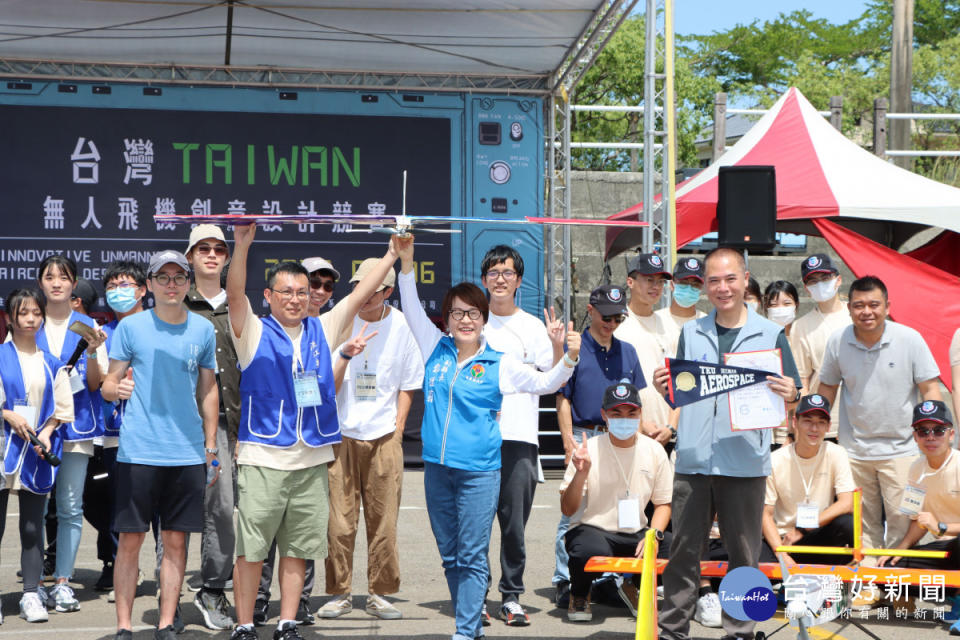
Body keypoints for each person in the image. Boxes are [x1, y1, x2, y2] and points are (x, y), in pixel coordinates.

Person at [396, 234, 580, 640]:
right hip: (438, 471)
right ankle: (469, 613)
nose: (465, 320)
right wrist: (405, 263)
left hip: (480, 469)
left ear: (483, 319)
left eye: (472, 314)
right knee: (450, 553)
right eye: (457, 314)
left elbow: (547, 382)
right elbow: (410, 309)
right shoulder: (436, 349)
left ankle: (467, 629)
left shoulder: (499, 362)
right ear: (445, 318)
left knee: (475, 550)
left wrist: (567, 357)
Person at [227, 224, 397, 640]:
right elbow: (234, 294)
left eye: (302, 292)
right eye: (285, 292)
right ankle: (245, 624)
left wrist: (393, 253)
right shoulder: (251, 331)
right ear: (268, 296)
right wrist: (243, 244)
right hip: (263, 457)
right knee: (251, 551)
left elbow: (359, 295)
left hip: (311, 459)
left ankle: (287, 622)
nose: (296, 299)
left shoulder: (322, 329)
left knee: (298, 551)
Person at [653, 247, 802, 640]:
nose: (723, 288)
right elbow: (681, 394)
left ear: (745, 279)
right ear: (704, 286)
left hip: (745, 463)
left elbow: (794, 392)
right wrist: (665, 387)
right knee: (684, 554)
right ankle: (672, 631)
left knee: (744, 556)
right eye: (714, 280)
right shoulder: (691, 332)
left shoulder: (769, 333)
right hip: (693, 461)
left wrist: (792, 393)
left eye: (730, 278)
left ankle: (741, 632)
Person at [255, 253, 383, 627]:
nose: (318, 292)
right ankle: (261, 599)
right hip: (271, 441)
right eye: (312, 283)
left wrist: (342, 354)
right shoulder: (267, 329)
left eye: (327, 285)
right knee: (263, 534)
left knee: (303, 532)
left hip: (313, 439)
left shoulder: (332, 326)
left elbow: (330, 387)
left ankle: (300, 602)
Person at [101, 250, 220, 640]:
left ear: (189, 283)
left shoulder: (202, 330)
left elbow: (208, 389)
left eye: (179, 277)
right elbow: (107, 385)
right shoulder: (132, 327)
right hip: (139, 450)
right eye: (163, 278)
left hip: (186, 453)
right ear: (149, 285)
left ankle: (167, 622)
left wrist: (210, 445)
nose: (172, 284)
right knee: (131, 542)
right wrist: (114, 387)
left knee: (175, 542)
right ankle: (123, 626)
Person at [817, 275, 941, 605]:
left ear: (887, 307)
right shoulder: (838, 341)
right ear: (849, 308)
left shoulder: (909, 339)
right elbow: (826, 388)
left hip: (903, 450)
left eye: (874, 305)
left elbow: (930, 387)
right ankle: (868, 586)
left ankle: (900, 588)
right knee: (863, 523)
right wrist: (815, 426)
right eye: (859, 305)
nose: (866, 311)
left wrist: (927, 435)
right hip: (854, 449)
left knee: (905, 520)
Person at [318, 258, 423, 622]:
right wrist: (347, 356)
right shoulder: (340, 320)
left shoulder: (401, 325)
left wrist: (397, 429)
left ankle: (379, 594)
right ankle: (340, 593)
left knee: (383, 520)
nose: (362, 295)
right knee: (339, 522)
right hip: (342, 436)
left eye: (372, 289)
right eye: (358, 287)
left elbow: (410, 382)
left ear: (388, 291)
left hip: (383, 437)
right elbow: (326, 386)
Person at [476, 244, 561, 626]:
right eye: (493, 272)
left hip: (521, 440)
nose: (499, 279)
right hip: (478, 440)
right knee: (475, 525)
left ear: (519, 281)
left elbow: (553, 379)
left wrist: (559, 347)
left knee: (513, 527)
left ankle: (511, 596)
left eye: (507, 273)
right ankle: (475, 596)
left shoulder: (533, 328)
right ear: (483, 280)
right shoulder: (471, 324)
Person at [553, 283, 646, 609]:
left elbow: (638, 402)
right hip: (585, 433)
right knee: (575, 510)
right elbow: (562, 397)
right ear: (590, 310)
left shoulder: (629, 352)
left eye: (618, 317)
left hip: (621, 437)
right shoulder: (577, 349)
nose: (611, 323)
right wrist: (567, 439)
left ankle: (610, 580)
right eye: (606, 316)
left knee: (618, 507)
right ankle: (566, 580)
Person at [561, 382, 672, 622]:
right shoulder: (588, 449)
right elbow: (567, 508)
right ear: (604, 415)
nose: (625, 419)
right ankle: (580, 593)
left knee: (676, 548)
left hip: (636, 532)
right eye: (616, 413)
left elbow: (664, 503)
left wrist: (653, 534)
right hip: (594, 529)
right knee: (589, 551)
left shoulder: (654, 450)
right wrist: (581, 473)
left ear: (640, 414)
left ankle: (632, 586)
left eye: (631, 413)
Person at [34, 255, 108, 613]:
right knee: (35, 505)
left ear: (74, 284)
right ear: (40, 283)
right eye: (49, 277)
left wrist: (93, 353)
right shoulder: (28, 322)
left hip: (76, 428)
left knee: (70, 507)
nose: (57, 283)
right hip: (35, 431)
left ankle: (62, 582)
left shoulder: (88, 325)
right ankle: (35, 583)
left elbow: (95, 383)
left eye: (63, 277)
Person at [177, 224, 242, 630]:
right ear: (190, 257)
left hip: (240, 422)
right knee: (187, 511)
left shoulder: (238, 304)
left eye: (220, 248)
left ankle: (214, 589)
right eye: (204, 248)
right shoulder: (177, 304)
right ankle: (176, 596)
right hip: (190, 423)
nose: (213, 255)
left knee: (230, 511)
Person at [0, 288, 74, 623]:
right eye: (23, 313)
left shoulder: (52, 363)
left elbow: (62, 409)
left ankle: (31, 594)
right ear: (9, 317)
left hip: (35, 453)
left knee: (32, 527)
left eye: (36, 313)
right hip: (3, 449)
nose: (30, 319)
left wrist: (45, 433)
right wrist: (7, 414)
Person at [84, 261, 148, 597]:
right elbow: (96, 384)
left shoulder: (160, 328)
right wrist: (94, 354)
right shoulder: (103, 333)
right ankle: (125, 569)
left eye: (125, 285)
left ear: (142, 290)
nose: (118, 292)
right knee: (118, 507)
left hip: (156, 434)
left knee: (160, 511)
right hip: (114, 434)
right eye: (112, 287)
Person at [878, 400, 960, 630]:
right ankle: (952, 593)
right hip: (943, 549)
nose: (930, 437)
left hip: (956, 541)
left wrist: (941, 526)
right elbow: (917, 520)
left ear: (951, 434)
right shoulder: (916, 468)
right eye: (923, 431)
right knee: (888, 572)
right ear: (915, 437)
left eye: (938, 430)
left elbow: (933, 525)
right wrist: (899, 550)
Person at [760, 394, 855, 566]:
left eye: (821, 423)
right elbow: (765, 514)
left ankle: (844, 579)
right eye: (808, 421)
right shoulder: (775, 460)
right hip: (784, 541)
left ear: (828, 427)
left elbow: (847, 503)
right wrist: (781, 555)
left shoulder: (836, 453)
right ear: (795, 423)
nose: (814, 428)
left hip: (813, 535)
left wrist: (803, 529)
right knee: (756, 556)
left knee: (848, 524)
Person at [614, 252, 676, 445]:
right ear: (630, 282)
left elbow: (678, 381)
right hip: (633, 432)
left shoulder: (669, 324)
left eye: (660, 281)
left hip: (670, 433)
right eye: (649, 280)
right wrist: (640, 422)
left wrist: (671, 427)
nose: (656, 287)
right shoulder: (617, 325)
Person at [791, 254, 850, 444]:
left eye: (825, 278)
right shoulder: (801, 326)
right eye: (813, 281)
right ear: (807, 289)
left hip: (860, 422)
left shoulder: (857, 313)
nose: (820, 285)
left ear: (838, 280)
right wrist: (804, 425)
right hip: (825, 425)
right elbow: (802, 380)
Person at [763, 280, 800, 447]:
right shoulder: (763, 340)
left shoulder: (803, 336)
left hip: (801, 423)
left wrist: (792, 433)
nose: (780, 309)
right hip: (773, 428)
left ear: (796, 305)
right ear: (766, 309)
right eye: (773, 304)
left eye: (786, 303)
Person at [654, 257, 706, 357]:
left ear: (701, 289)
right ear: (672, 284)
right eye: (684, 283)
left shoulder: (708, 323)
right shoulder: (656, 319)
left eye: (695, 284)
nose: (689, 288)